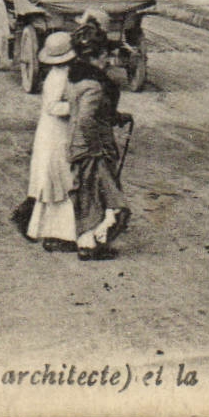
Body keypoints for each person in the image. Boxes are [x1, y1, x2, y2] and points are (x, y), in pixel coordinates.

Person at [16, 31, 79, 252]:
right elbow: (53, 107)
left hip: (53, 133)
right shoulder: (59, 77)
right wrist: (77, 107)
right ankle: (57, 234)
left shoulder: (59, 73)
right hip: (55, 134)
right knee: (58, 180)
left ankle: (46, 228)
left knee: (55, 181)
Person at [67, 48, 131, 261]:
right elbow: (86, 119)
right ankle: (89, 244)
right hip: (91, 149)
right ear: (92, 57)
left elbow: (95, 114)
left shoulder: (77, 80)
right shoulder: (94, 86)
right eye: (103, 55)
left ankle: (91, 242)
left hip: (81, 146)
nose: (107, 60)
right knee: (102, 195)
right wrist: (96, 148)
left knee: (91, 194)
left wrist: (116, 117)